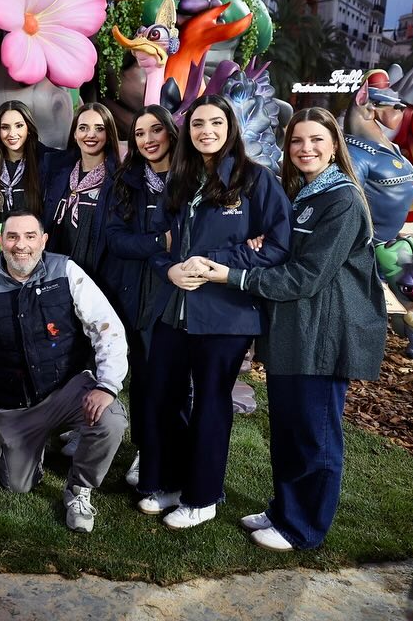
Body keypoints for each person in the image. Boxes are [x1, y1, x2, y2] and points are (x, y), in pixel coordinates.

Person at [195, 107, 386, 551]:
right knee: (288, 428)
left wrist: (234, 275)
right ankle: (284, 508)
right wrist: (261, 243)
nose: (306, 149)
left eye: (317, 140)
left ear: (334, 145)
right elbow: (284, 250)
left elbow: (306, 276)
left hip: (322, 334)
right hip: (293, 331)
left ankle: (303, 528)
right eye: (297, 140)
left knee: (314, 434)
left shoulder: (342, 200)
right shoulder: (303, 195)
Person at [137, 94, 291, 530]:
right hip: (176, 307)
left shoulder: (256, 180)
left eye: (216, 123)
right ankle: (167, 481)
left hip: (226, 313)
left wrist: (219, 263)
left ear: (231, 128)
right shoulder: (181, 179)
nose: (206, 131)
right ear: (188, 132)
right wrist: (170, 270)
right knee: (163, 395)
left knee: (210, 402)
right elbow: (159, 241)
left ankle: (202, 497)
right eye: (198, 124)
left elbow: (277, 246)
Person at [0, 209, 129, 533]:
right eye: (12, 237)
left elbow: (107, 328)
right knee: (18, 485)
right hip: (16, 404)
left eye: (29, 236)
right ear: (1, 241)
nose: (20, 245)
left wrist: (107, 385)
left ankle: (79, 489)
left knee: (111, 421)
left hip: (67, 389)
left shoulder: (66, 271)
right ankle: (10, 444)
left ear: (43, 241)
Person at [103, 104, 178, 486]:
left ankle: (165, 452)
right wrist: (159, 242)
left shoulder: (189, 181)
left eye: (155, 130)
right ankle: (143, 449)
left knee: (170, 382)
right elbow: (116, 239)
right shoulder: (128, 180)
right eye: (140, 133)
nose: (148, 139)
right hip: (133, 294)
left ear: (170, 133)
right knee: (142, 377)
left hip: (175, 295)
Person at [44, 102, 122, 283]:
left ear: (109, 134)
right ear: (74, 134)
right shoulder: (58, 173)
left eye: (99, 129)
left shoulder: (119, 181)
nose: (90, 135)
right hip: (55, 273)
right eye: (83, 128)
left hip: (96, 277)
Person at [0, 101, 51, 223]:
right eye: (5, 127)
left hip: (32, 233)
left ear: (28, 128)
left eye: (19, 126)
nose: (12, 134)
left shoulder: (46, 161)